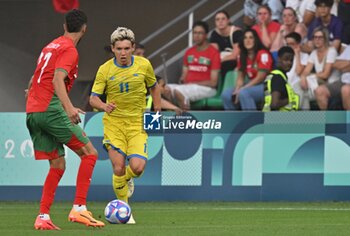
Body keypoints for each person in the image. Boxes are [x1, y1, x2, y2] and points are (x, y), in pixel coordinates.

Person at [25, 9, 104, 230]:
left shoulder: (50, 46)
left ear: (64, 26)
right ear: (85, 29)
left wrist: (34, 95)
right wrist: (68, 108)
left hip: (33, 111)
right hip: (50, 110)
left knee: (58, 164)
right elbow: (58, 79)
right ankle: (79, 208)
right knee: (90, 153)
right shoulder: (70, 49)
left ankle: (43, 216)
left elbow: (35, 78)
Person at [89, 27, 161, 224]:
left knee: (137, 168)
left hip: (137, 123)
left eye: (126, 48)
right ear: (112, 49)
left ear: (133, 48)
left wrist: (157, 111)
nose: (123, 53)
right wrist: (104, 106)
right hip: (114, 124)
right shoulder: (105, 69)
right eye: (119, 48)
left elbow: (154, 88)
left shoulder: (144, 65)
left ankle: (126, 179)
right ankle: (125, 211)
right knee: (118, 166)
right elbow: (93, 98)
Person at [165, 21, 221, 110]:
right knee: (165, 89)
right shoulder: (189, 52)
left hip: (207, 89)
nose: (197, 35)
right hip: (188, 87)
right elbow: (184, 75)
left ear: (206, 35)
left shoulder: (214, 53)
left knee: (179, 91)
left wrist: (194, 83)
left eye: (200, 33)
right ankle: (175, 113)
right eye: (195, 33)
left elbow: (213, 83)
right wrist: (182, 79)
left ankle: (187, 117)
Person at [221, 28, 273, 110]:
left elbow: (260, 77)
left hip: (267, 86)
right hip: (251, 85)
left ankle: (251, 121)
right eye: (245, 38)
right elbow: (240, 78)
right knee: (226, 94)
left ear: (255, 40)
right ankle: (233, 121)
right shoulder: (242, 56)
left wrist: (243, 89)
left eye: (251, 38)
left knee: (244, 93)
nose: (248, 40)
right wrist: (237, 89)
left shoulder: (263, 54)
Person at [300, 27, 340, 107]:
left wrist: (311, 76)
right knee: (299, 84)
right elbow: (305, 71)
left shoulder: (331, 51)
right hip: (320, 81)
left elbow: (326, 74)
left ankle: (324, 118)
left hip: (334, 83)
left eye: (320, 37)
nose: (317, 40)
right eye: (315, 37)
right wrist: (303, 77)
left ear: (325, 39)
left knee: (316, 88)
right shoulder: (314, 53)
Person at [263, 46, 300, 111]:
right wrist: (289, 100)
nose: (289, 63)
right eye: (286, 59)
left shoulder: (274, 75)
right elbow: (274, 104)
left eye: (291, 60)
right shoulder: (278, 77)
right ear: (278, 59)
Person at [314, 45, 350, 109]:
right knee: (319, 91)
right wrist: (345, 66)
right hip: (343, 81)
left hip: (346, 86)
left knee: (346, 90)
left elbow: (342, 67)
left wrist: (345, 65)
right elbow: (336, 64)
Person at [209, 10, 243, 78]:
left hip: (237, 60)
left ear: (228, 20)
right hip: (222, 59)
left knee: (227, 64)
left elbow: (235, 55)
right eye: (217, 20)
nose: (220, 21)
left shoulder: (237, 32)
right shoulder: (214, 34)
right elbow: (213, 53)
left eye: (223, 19)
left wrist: (219, 61)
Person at [284, 32, 310, 109]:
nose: (289, 46)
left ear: (298, 44)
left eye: (291, 44)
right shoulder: (284, 57)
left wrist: (297, 55)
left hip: (298, 86)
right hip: (287, 87)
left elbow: (298, 71)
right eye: (287, 44)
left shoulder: (305, 56)